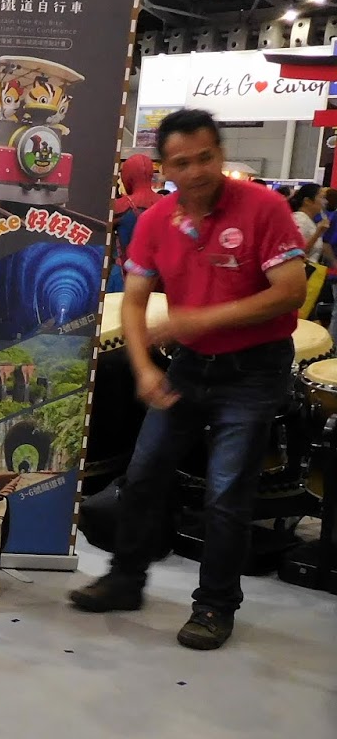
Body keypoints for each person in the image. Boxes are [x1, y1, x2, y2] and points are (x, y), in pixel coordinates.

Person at [70, 109, 306, 650]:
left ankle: (215, 604)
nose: (196, 170)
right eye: (182, 162)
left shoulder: (264, 208)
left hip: (254, 370)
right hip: (189, 366)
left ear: (220, 154)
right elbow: (134, 303)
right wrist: (145, 368)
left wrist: (198, 320)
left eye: (206, 157)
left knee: (226, 493)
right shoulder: (157, 220)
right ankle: (126, 579)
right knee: (143, 475)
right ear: (164, 168)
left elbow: (290, 290)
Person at [108, 152, 162, 294]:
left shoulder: (119, 206)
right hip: (159, 279)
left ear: (128, 176)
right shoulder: (168, 204)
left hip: (124, 277)